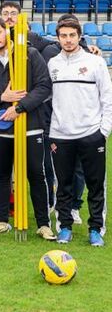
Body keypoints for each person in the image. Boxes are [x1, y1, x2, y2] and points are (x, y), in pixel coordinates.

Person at [0, 17, 55, 240]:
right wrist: (1, 97)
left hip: (30, 125)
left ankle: (43, 224)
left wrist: (20, 108)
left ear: (6, 32)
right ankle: (2, 220)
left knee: (36, 173)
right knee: (2, 174)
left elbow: (44, 86)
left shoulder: (29, 54)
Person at [48, 19, 112, 247]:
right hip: (60, 134)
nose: (68, 40)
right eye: (63, 36)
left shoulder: (95, 62)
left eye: (72, 35)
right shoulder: (52, 64)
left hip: (91, 133)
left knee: (96, 184)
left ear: (79, 36)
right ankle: (64, 227)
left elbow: (107, 97)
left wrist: (103, 131)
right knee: (63, 185)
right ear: (57, 38)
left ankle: (96, 229)